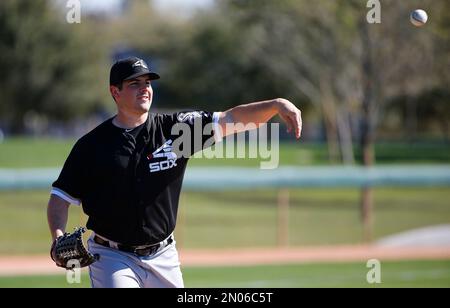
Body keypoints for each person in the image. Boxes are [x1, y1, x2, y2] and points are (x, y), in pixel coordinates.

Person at [47, 56, 302, 288]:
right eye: (134, 83)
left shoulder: (177, 131)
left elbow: (230, 118)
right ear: (115, 91)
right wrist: (58, 238)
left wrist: (276, 105)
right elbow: (60, 198)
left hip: (163, 256)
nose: (145, 88)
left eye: (147, 82)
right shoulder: (92, 145)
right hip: (114, 256)